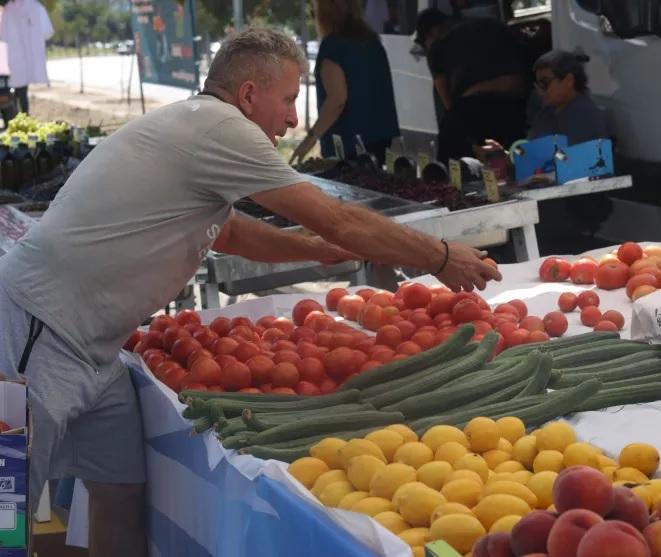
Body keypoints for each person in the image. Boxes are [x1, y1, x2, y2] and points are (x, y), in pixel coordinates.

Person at [0, 27, 500, 557]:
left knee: (121, 490)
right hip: (37, 332)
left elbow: (231, 230)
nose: (291, 118)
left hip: (96, 350)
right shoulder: (221, 128)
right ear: (247, 96)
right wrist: (441, 257)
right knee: (7, 510)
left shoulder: (197, 127)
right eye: (287, 100)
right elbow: (339, 219)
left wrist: (312, 249)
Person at [414, 8, 530, 162]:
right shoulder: (491, 24)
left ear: (431, 33)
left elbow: (447, 101)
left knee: (452, 145)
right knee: (514, 152)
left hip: (477, 102)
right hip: (517, 95)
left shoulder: (438, 46)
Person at [291, 0, 399, 165]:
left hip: (347, 145)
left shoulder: (333, 46)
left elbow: (337, 100)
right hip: (380, 140)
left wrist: (309, 140)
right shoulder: (372, 41)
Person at [528, 50, 607, 145]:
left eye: (545, 83)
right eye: (538, 84)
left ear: (569, 80)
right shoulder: (547, 111)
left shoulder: (583, 115)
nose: (539, 90)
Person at [0, 0, 54, 115]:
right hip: (23, 60)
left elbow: (3, 37)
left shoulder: (33, 8)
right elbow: (47, 32)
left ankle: (21, 115)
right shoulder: (35, 8)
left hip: (16, 61)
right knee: (20, 91)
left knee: (19, 91)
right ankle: (23, 115)